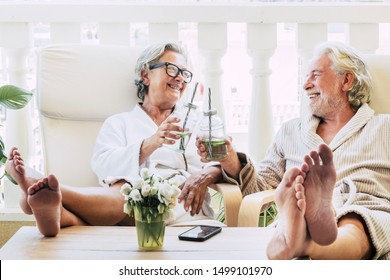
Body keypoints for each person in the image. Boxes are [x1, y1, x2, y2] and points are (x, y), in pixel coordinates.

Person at [5, 42, 223, 237]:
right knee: (124, 188)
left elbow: (223, 162)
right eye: (172, 68)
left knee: (126, 195)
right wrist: (152, 142)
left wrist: (207, 173)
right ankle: (56, 213)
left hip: (181, 207)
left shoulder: (194, 121)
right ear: (145, 75)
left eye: (185, 74)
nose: (180, 78)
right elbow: (103, 166)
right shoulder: (119, 123)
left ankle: (48, 192)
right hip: (127, 211)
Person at [197, 41, 390, 260]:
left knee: (356, 220)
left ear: (346, 80)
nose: (305, 85)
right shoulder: (291, 132)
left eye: (315, 75)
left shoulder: (384, 127)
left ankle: (304, 241)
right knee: (297, 200)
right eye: (305, 77)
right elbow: (260, 190)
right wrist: (230, 159)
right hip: (298, 215)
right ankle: (303, 226)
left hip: (366, 207)